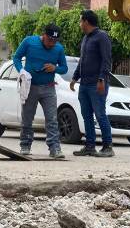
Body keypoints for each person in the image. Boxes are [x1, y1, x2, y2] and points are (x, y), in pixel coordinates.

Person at [12, 23, 69, 159]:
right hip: (30, 86)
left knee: (52, 119)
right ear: (43, 35)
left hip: (49, 87)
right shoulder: (29, 42)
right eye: (50, 40)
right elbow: (16, 57)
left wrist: (54, 68)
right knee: (27, 117)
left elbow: (64, 68)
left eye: (55, 41)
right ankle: (25, 145)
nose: (52, 44)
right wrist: (22, 71)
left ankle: (55, 148)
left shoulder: (59, 49)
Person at [70, 10, 114, 158]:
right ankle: (90, 146)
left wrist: (101, 79)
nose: (79, 24)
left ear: (86, 22)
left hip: (97, 84)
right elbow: (82, 60)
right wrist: (75, 78)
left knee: (100, 114)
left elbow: (106, 60)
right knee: (86, 115)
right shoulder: (85, 38)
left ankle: (108, 146)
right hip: (84, 84)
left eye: (80, 21)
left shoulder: (102, 36)